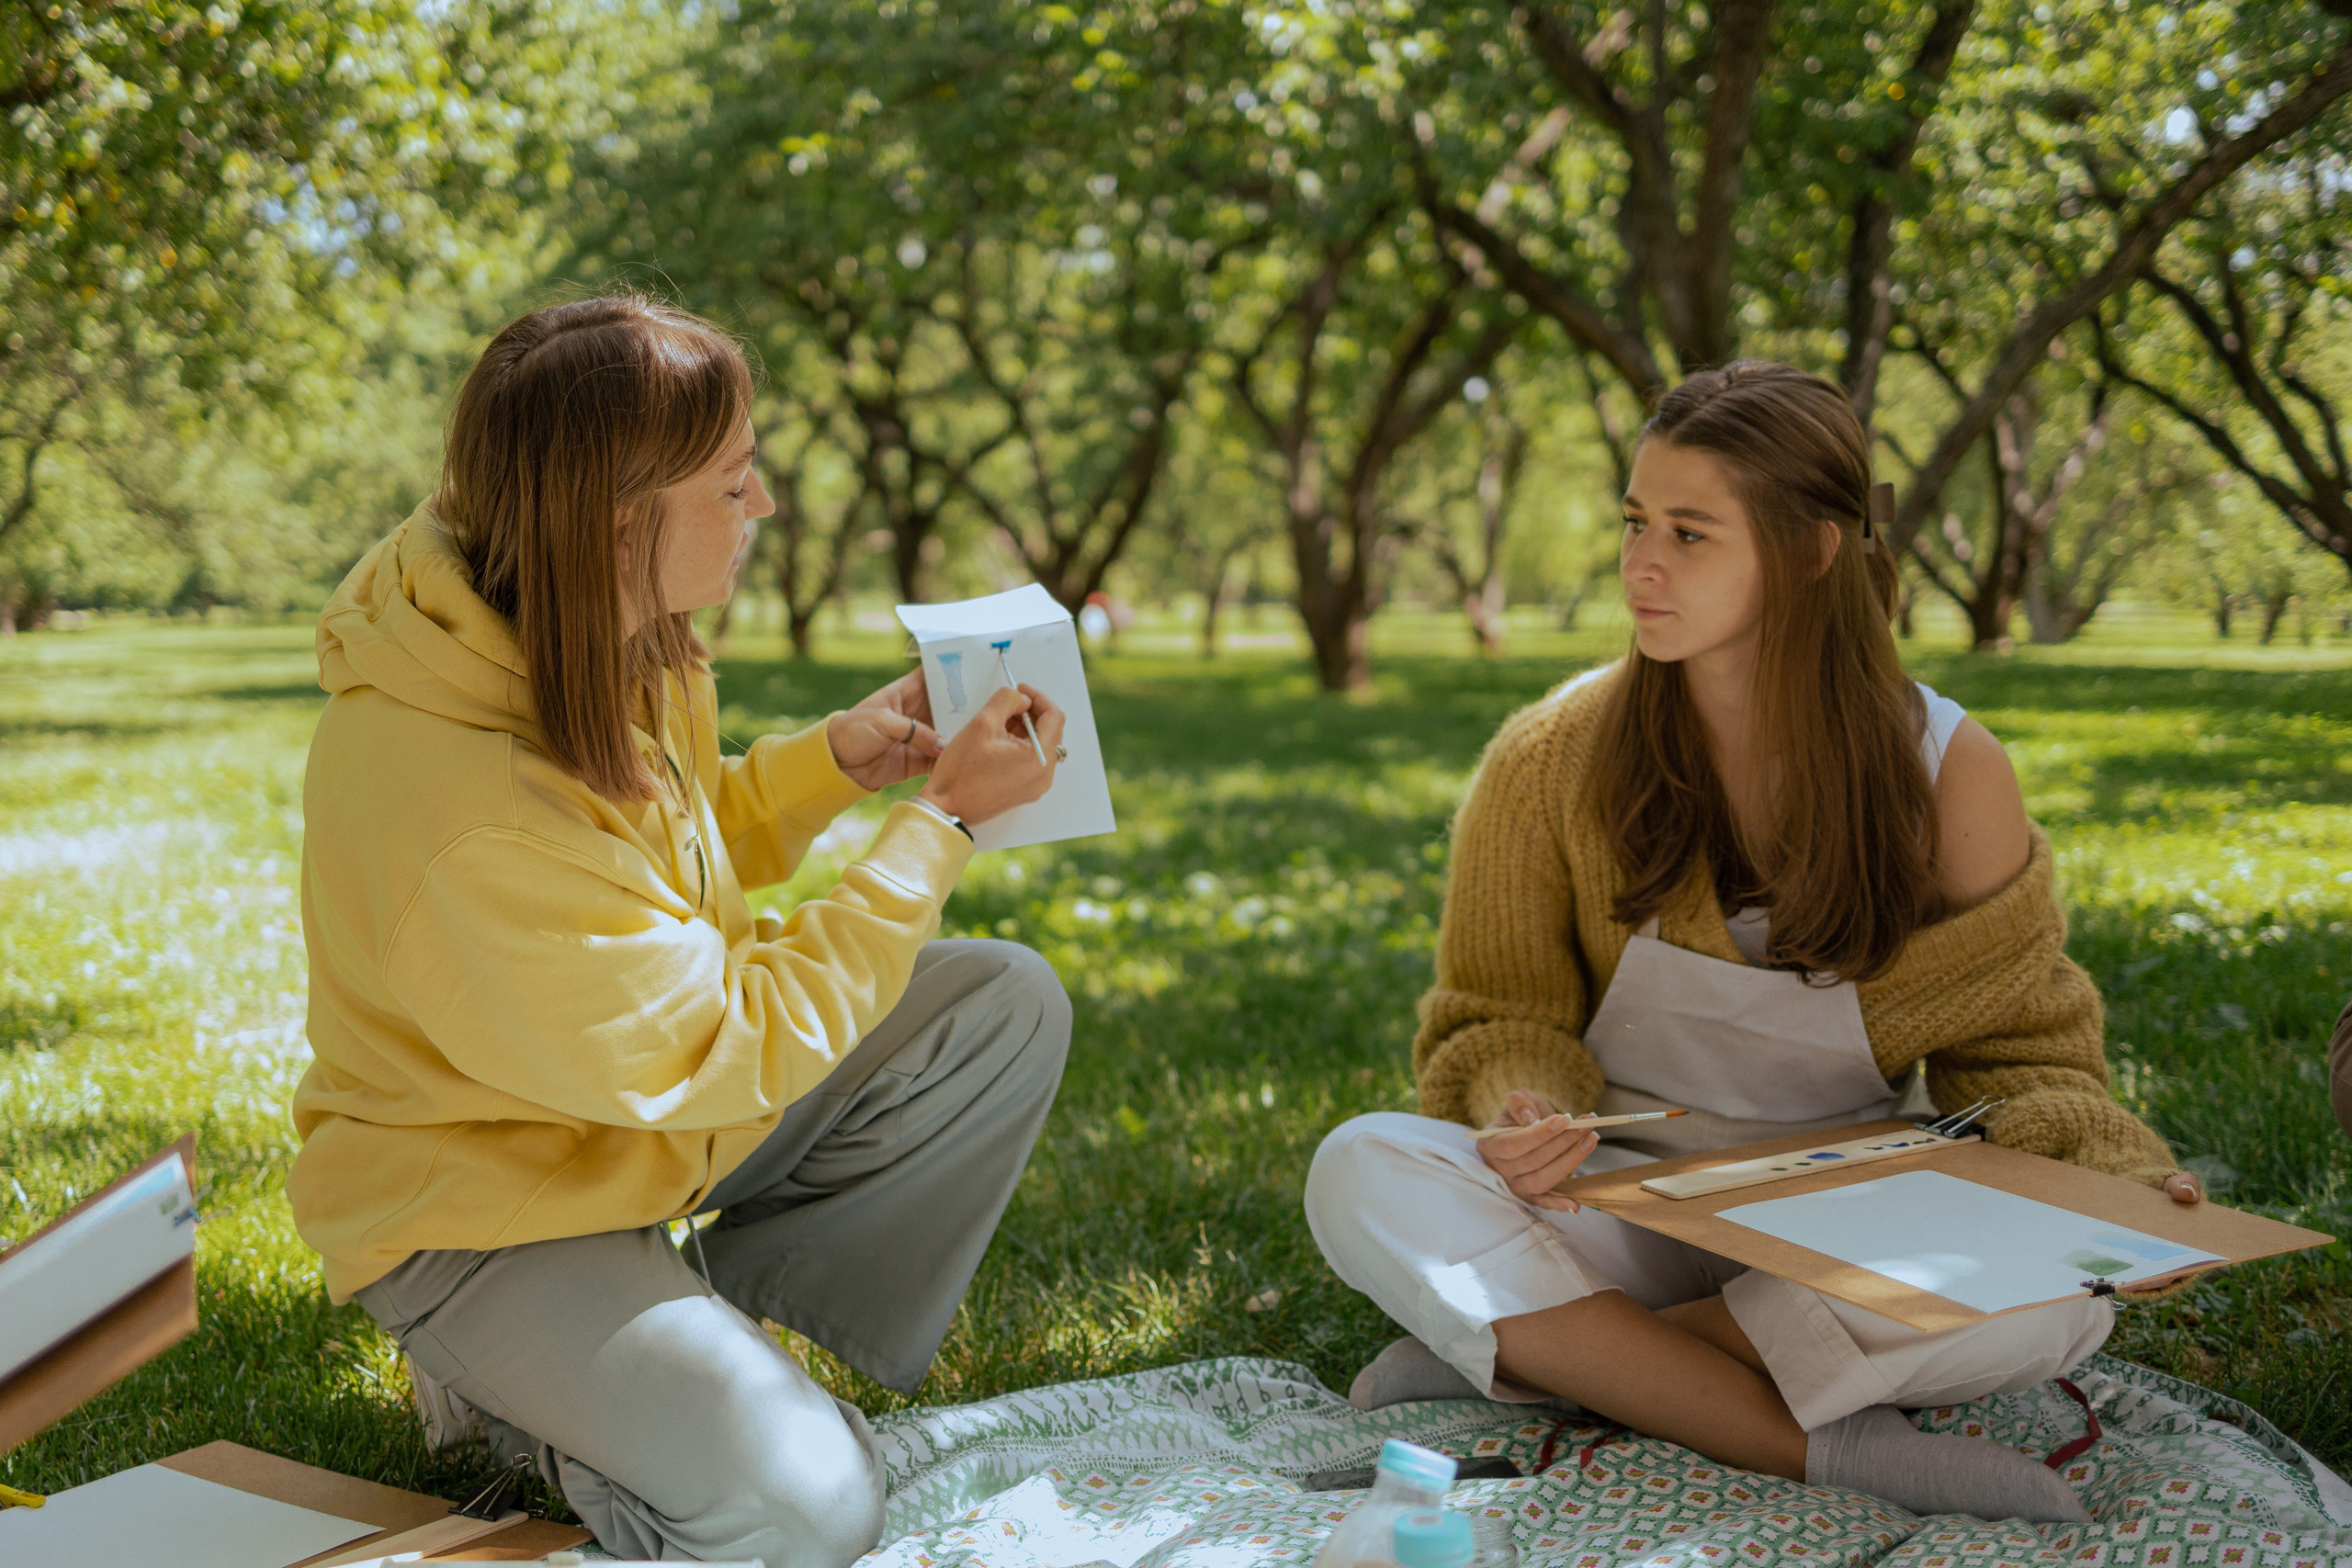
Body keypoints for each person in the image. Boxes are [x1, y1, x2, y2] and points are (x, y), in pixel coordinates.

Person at [1305, 361, 2201, 1527]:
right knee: (1360, 1163)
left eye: (1688, 532)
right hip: (1609, 1206)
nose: (1640, 564)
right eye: (1634, 522)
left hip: (1844, 1221)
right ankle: (1832, 1450)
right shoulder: (1548, 758)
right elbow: (1498, 1014)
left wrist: (2112, 1176)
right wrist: (1522, 1106)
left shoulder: (1948, 771)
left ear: (1811, 551)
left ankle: (1541, 1365)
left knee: (2063, 1306)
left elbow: (2019, 1053)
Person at [288, 294, 1074, 1566]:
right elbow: (724, 1039)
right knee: (806, 1508)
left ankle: (688, 1338)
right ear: (615, 525)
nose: (762, 511)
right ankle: (523, 1392)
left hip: (630, 1124)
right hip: (493, 1216)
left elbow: (661, 861)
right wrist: (941, 825)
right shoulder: (463, 806)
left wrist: (833, 765)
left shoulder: (572, 628)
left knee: (999, 1005)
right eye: (734, 485)